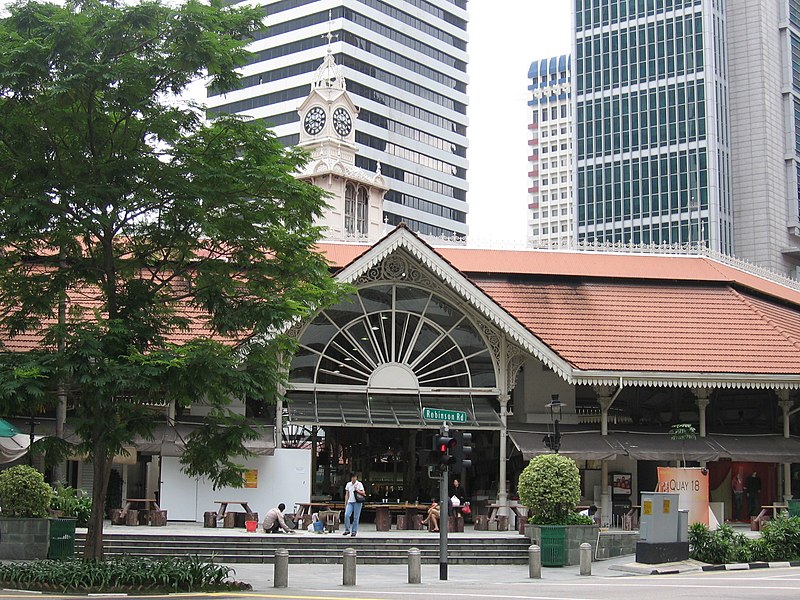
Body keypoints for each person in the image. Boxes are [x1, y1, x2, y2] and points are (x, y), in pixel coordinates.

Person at [343, 472, 366, 537]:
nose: (354, 478)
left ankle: (354, 531)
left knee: (356, 517)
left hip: (357, 502)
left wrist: (357, 490)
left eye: (355, 477)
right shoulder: (348, 484)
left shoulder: (359, 484)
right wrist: (346, 502)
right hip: (350, 502)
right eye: (353, 477)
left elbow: (364, 493)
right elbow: (347, 494)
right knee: (347, 515)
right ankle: (347, 529)